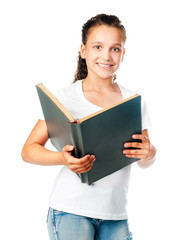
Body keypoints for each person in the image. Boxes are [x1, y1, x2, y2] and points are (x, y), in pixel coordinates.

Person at [22, 14, 156, 240]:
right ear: (83, 50)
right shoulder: (64, 98)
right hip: (71, 211)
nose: (106, 56)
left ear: (123, 54)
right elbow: (28, 150)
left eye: (115, 49)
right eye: (98, 47)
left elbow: (143, 160)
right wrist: (63, 159)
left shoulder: (134, 101)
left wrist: (150, 152)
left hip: (115, 214)